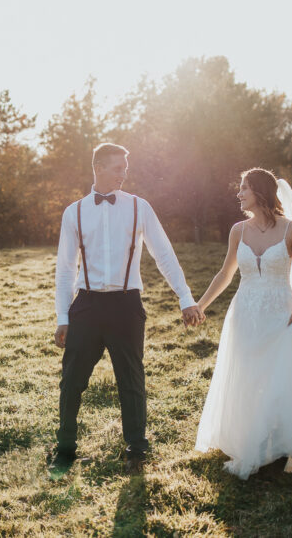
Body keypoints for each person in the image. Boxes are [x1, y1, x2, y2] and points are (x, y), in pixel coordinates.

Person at [50, 143, 204, 475]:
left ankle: (137, 449)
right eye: (118, 168)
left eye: (125, 168)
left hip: (126, 304)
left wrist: (186, 297)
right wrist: (63, 317)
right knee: (72, 380)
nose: (124, 174)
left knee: (131, 379)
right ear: (99, 167)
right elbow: (65, 268)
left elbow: (163, 253)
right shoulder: (74, 212)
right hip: (86, 305)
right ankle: (64, 449)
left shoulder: (139, 207)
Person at [194, 168, 292, 479]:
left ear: (260, 192)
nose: (238, 194)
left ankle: (283, 441)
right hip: (245, 313)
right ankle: (251, 438)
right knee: (247, 376)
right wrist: (200, 305)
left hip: (282, 314)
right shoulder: (238, 231)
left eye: (244, 188)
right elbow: (225, 274)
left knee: (281, 379)